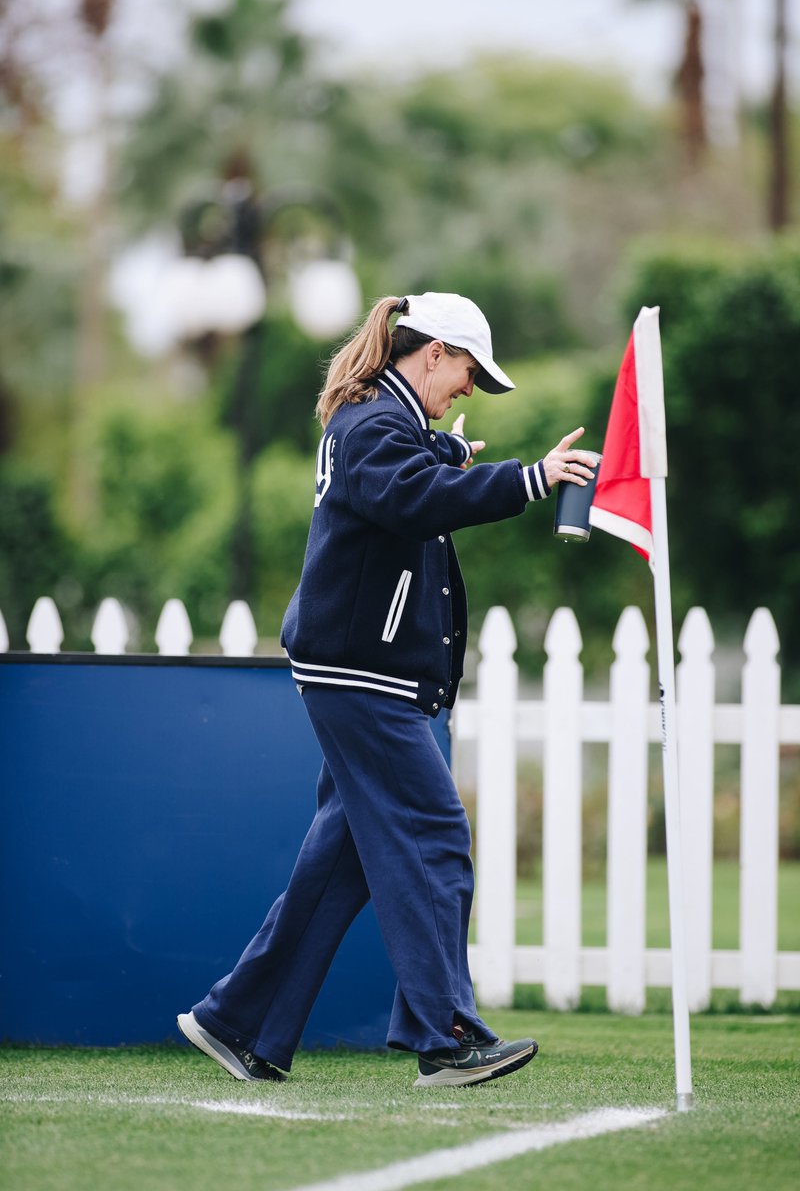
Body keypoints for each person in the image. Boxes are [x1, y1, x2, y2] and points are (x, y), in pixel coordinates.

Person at [178, 292, 598, 1088]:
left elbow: (406, 482)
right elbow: (406, 499)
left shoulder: (380, 422)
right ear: (432, 351)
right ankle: (447, 1038)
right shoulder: (374, 424)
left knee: (342, 865)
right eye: (470, 370)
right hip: (360, 673)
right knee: (434, 837)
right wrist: (533, 478)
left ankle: (240, 1022)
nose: (470, 388)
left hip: (359, 672)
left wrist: (451, 458)